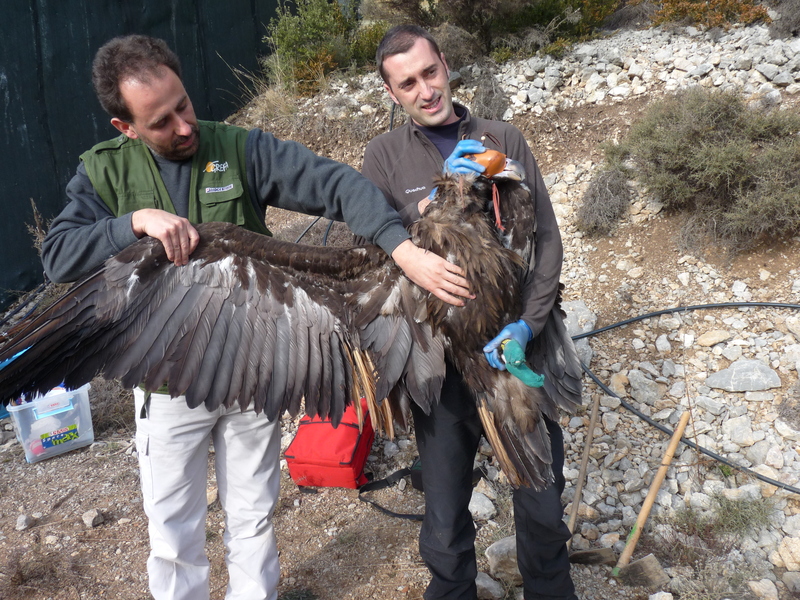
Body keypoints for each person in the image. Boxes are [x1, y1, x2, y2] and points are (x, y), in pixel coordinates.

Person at [41, 34, 473, 600]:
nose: (183, 126)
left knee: (252, 518)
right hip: (167, 382)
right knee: (173, 535)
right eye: (161, 122)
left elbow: (339, 184)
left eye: (184, 105)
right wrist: (134, 223)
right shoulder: (104, 175)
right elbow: (58, 256)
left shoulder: (240, 150)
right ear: (126, 128)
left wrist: (399, 245)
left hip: (253, 370)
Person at [361, 25, 578, 600]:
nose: (425, 90)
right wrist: (428, 213)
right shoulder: (383, 157)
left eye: (430, 73)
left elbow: (547, 242)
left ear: (447, 66)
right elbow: (373, 253)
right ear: (392, 93)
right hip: (438, 358)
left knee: (539, 498)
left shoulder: (500, 136)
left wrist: (528, 325)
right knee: (444, 507)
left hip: (513, 352)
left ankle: (551, 590)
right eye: (407, 83)